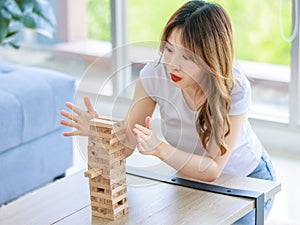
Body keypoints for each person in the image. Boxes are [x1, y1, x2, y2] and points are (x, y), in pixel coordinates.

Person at [60, 1, 276, 224]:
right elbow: (126, 144)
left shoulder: (235, 87)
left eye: (187, 57)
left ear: (211, 57)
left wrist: (159, 148)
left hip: (244, 180)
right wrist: (101, 130)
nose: (172, 64)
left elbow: (211, 169)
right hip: (189, 178)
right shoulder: (154, 75)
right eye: (169, 49)